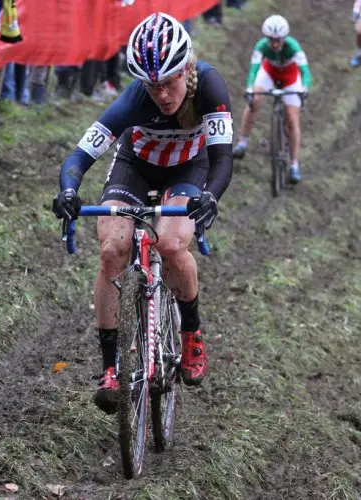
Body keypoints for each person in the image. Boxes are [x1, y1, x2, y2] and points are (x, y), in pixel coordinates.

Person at [52, 12, 233, 414]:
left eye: (169, 84)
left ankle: (190, 334)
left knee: (170, 243)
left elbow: (222, 158)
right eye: (153, 88)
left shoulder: (210, 85)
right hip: (135, 166)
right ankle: (111, 368)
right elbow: (82, 154)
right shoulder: (134, 98)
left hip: (190, 167)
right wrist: (68, 189)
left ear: (186, 69)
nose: (163, 96)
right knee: (112, 250)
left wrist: (211, 196)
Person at [232, 15, 311, 183]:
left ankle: (294, 164)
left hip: (290, 78)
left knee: (291, 118)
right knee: (254, 102)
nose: (275, 44)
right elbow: (253, 70)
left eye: (278, 40)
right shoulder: (261, 46)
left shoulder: (293, 47)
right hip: (268, 73)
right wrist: (249, 88)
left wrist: (304, 88)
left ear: (285, 38)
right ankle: (242, 142)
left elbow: (305, 72)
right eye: (271, 40)